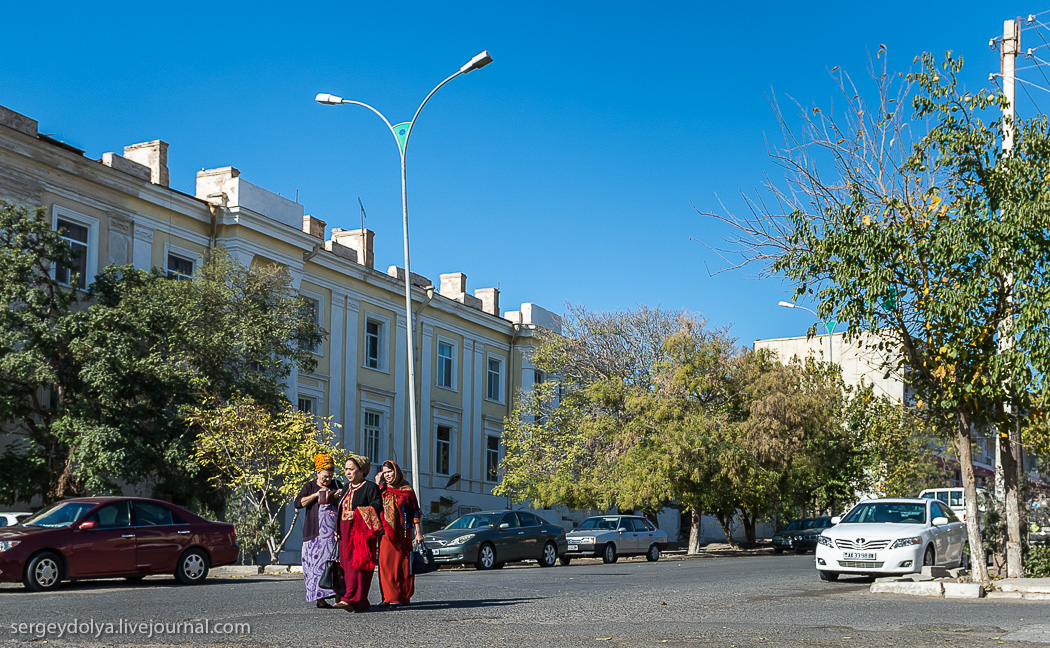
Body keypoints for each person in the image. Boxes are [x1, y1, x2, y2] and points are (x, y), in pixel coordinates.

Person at [333, 454, 383, 612]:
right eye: (346, 469)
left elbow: (377, 506)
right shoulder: (346, 487)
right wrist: (337, 530)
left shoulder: (370, 487)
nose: (348, 473)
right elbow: (340, 509)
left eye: (352, 469)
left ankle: (351, 598)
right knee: (346, 565)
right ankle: (359, 602)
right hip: (344, 532)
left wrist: (356, 513)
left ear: (362, 471)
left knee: (358, 565)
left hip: (360, 532)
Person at [294, 454, 344, 608]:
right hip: (314, 535)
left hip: (333, 535)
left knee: (335, 565)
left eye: (329, 476)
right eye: (324, 476)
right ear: (317, 472)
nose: (327, 479)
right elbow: (298, 503)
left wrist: (338, 495)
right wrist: (317, 494)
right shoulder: (309, 486)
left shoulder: (337, 484)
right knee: (315, 567)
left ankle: (338, 599)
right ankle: (320, 600)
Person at [375, 460, 424, 607]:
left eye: (389, 471)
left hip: (403, 534)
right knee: (386, 566)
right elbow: (373, 506)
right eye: (384, 472)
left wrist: (419, 533)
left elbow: (415, 511)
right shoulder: (381, 489)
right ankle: (387, 598)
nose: (387, 475)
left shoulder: (407, 490)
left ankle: (403, 597)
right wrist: (378, 485)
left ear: (396, 471)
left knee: (403, 566)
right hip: (385, 535)